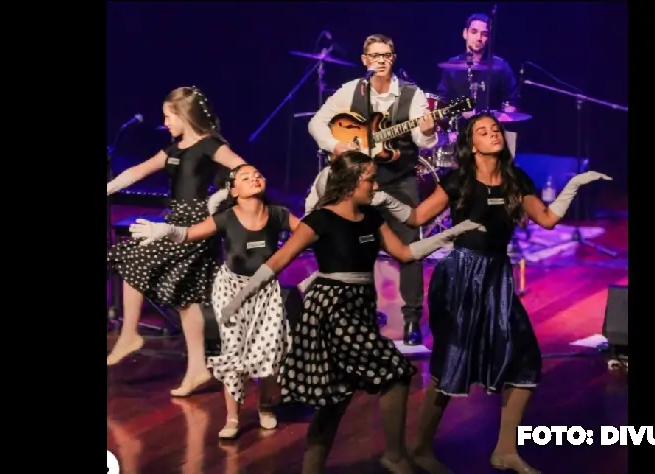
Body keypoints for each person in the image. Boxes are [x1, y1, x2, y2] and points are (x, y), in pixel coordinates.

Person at [218, 151, 483, 474]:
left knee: (336, 397)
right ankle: (395, 455)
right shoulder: (320, 219)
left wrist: (454, 232)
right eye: (371, 179)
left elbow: (405, 253)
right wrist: (238, 299)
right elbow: (277, 261)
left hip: (360, 307)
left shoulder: (371, 217)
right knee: (396, 373)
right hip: (332, 309)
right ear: (351, 182)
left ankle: (311, 469)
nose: (376, 186)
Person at [394, 113, 610, 474]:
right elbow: (416, 219)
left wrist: (573, 185)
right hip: (461, 276)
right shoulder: (459, 180)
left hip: (497, 277)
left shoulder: (514, 178)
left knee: (525, 358)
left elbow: (547, 219)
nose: (493, 134)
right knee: (452, 362)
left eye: (495, 129)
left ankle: (505, 450)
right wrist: (378, 194)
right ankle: (419, 448)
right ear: (471, 143)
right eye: (483, 131)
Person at [129, 164, 296, 439]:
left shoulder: (279, 215)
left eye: (258, 174)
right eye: (245, 176)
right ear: (233, 190)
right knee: (233, 355)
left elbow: (308, 235)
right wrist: (164, 230)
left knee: (270, 354)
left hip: (267, 292)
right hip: (230, 291)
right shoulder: (226, 217)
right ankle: (232, 418)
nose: (254, 177)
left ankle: (266, 406)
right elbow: (188, 234)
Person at [106, 86, 245, 398]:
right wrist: (109, 187)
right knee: (186, 298)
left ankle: (129, 334)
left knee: (132, 258)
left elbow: (245, 171)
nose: (165, 122)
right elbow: (138, 170)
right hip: (176, 219)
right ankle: (197, 368)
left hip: (196, 222)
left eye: (169, 116)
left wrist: (220, 197)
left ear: (184, 115)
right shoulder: (175, 148)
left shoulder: (210, 145)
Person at [306, 33, 438, 347]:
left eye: (387, 55)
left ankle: (411, 321)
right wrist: (335, 146)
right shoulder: (352, 90)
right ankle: (358, 315)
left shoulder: (412, 95)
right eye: (375, 55)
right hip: (356, 183)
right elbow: (316, 123)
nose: (381, 60)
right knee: (352, 247)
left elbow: (423, 141)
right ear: (365, 60)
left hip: (398, 180)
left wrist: (429, 130)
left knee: (409, 250)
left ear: (394, 58)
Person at [437, 13, 520, 115]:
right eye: (474, 32)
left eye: (484, 34)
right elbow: (442, 101)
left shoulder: (501, 67)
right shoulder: (451, 67)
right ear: (465, 33)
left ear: (489, 38)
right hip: (460, 128)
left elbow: (512, 102)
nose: (479, 38)